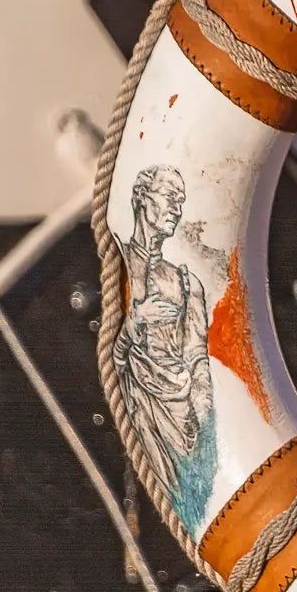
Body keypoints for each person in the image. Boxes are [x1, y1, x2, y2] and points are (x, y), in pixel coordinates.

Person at [114, 164, 217, 530]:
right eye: (169, 197)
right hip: (140, 407)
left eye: (181, 200)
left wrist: (203, 403)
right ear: (142, 198)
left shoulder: (187, 283)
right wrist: (135, 321)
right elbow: (110, 360)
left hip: (181, 410)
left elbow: (196, 353)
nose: (177, 207)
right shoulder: (116, 264)